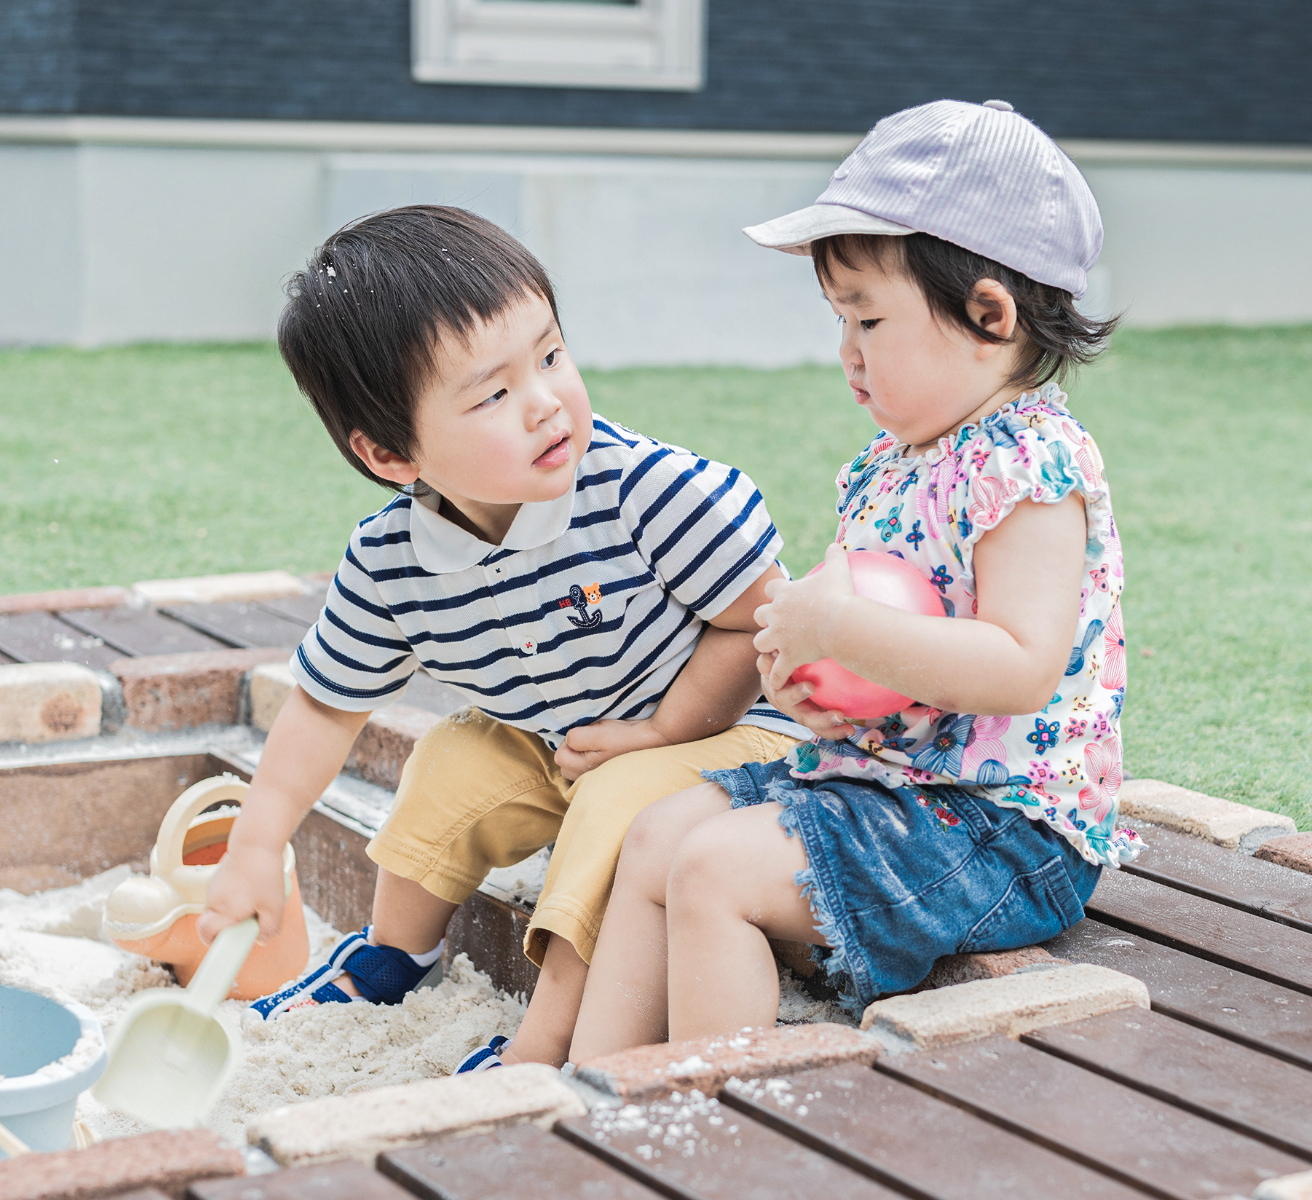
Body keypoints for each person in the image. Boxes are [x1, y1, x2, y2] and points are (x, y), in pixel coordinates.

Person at [568, 99, 1144, 1058]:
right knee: (659, 832)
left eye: (868, 318)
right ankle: (596, 1083)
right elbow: (863, 638)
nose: (848, 353)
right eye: (840, 319)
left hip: (1003, 827)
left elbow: (1020, 665)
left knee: (712, 871)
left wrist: (838, 624)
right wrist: (806, 675)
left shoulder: (1030, 465)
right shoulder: (891, 464)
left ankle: (715, 1119)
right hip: (887, 781)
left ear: (989, 314)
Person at [196, 206, 803, 1072]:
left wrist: (665, 731)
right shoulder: (390, 561)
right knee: (453, 761)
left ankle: (546, 1041)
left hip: (726, 745)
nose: (546, 402)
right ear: (392, 455)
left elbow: (760, 619)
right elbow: (325, 710)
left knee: (616, 797)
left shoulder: (647, 493)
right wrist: (256, 848)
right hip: (569, 747)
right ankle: (396, 954)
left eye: (551, 356)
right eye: (493, 393)